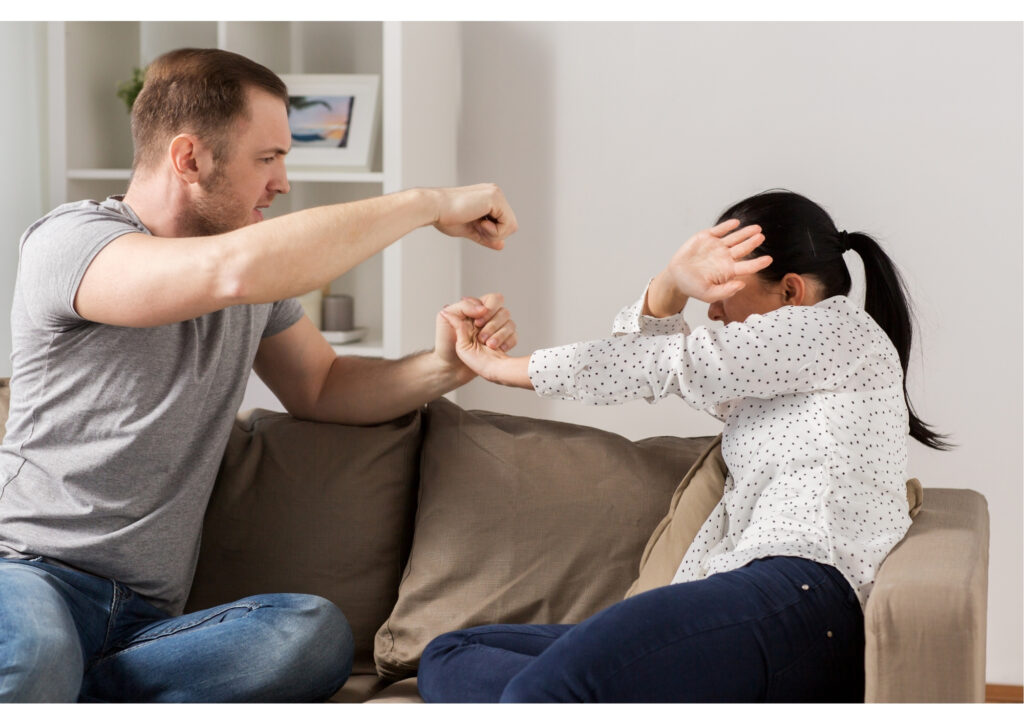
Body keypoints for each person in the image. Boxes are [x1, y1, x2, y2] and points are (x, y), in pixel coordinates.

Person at [0, 48, 520, 703]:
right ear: (189, 158)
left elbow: (322, 385)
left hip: (145, 622)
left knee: (310, 634)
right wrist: (426, 204)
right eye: (268, 159)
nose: (283, 182)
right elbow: (230, 270)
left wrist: (444, 364)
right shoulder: (71, 243)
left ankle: (79, 692)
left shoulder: (252, 286)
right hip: (26, 576)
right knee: (36, 651)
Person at [421, 189, 950, 703]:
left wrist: (500, 368)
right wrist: (672, 282)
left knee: (548, 689)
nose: (712, 313)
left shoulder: (837, 330)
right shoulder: (771, 381)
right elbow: (651, 355)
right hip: (745, 594)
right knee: (451, 654)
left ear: (791, 292)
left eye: (720, 293)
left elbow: (671, 364)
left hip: (801, 595)